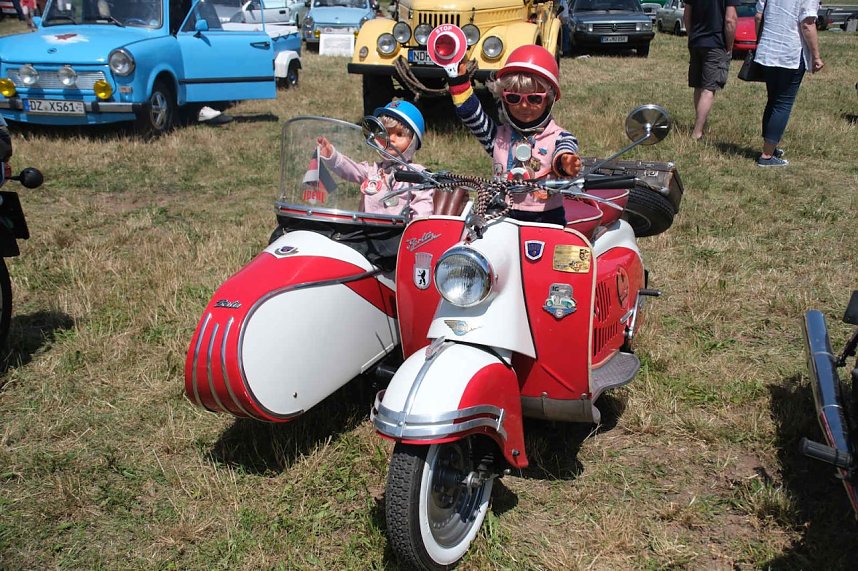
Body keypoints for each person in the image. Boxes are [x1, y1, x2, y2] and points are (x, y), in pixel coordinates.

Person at [447, 45, 582, 226]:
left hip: (546, 217)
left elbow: (564, 151)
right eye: (514, 98)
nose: (524, 106)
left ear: (549, 99)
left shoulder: (560, 136)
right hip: (500, 213)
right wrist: (458, 80)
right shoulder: (497, 137)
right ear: (503, 99)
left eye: (534, 98)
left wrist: (564, 163)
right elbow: (471, 115)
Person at [316, 100, 433, 216]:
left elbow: (422, 209)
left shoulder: (417, 174)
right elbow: (350, 170)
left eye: (399, 134)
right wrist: (332, 156)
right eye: (385, 133)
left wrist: (415, 230)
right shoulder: (373, 171)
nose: (391, 139)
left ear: (413, 142)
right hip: (367, 231)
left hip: (398, 233)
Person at [753, 0, 824, 167]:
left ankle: (770, 146)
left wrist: (762, 41)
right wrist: (816, 56)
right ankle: (767, 155)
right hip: (790, 52)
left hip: (768, 49)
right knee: (783, 103)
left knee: (773, 100)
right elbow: (807, 24)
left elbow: (758, 16)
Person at [684, 0, 739, 140]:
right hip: (715, 42)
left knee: (698, 85)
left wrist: (692, 36)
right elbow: (730, 20)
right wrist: (730, 46)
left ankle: (700, 123)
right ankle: (697, 132)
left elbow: (687, 13)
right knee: (708, 89)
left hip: (696, 41)